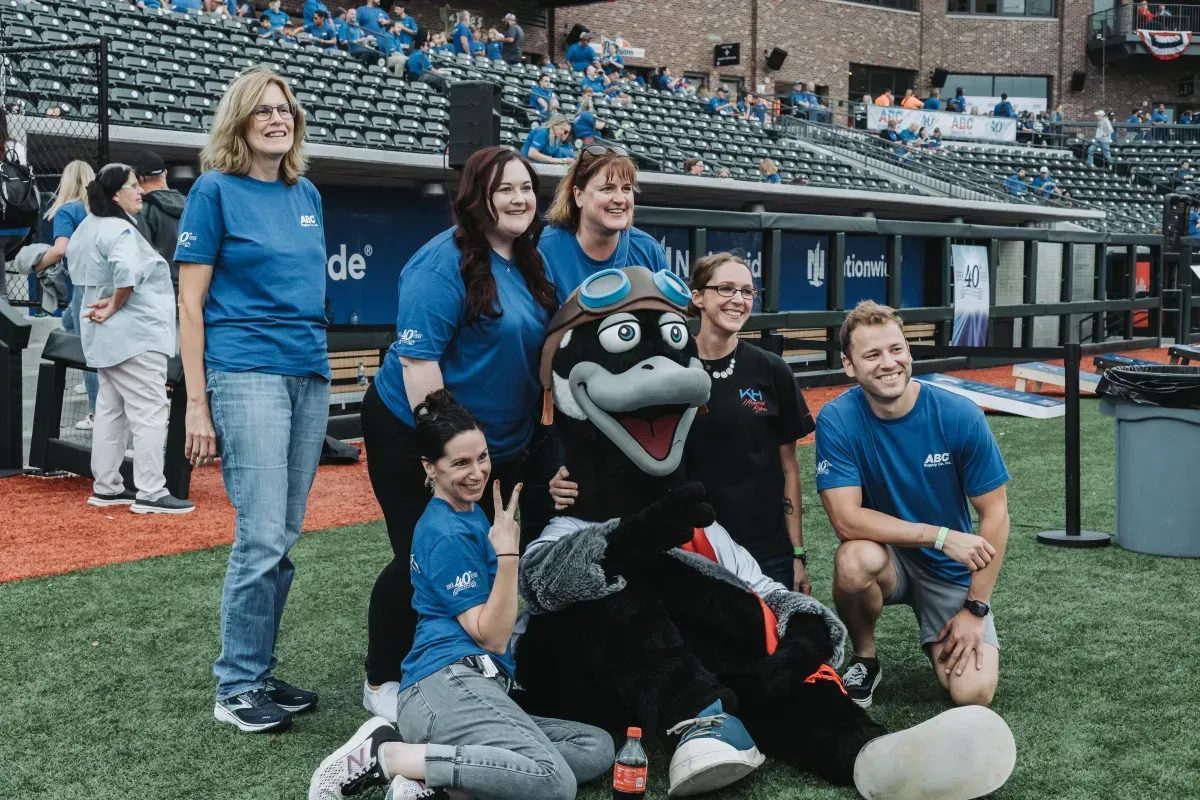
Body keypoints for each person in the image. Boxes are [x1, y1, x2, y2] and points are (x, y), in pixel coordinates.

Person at [311, 391, 614, 800]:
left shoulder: (468, 512)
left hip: (477, 686)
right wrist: (508, 556)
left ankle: (431, 785)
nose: (477, 472)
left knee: (595, 747)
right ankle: (388, 754)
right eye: (460, 463)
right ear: (429, 468)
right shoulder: (445, 533)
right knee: (554, 781)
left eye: (482, 457)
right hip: (445, 683)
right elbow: (491, 636)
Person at [359, 147, 560, 721]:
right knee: (421, 552)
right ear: (478, 198)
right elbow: (420, 368)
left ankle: (470, 660)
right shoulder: (439, 263)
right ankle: (383, 677)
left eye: (527, 187)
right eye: (506, 190)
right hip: (418, 431)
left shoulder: (527, 257)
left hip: (499, 439)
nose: (520, 199)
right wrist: (448, 458)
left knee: (484, 546)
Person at [176, 67, 330, 734]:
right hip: (246, 374)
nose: (278, 119)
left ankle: (258, 673)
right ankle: (235, 686)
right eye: (263, 110)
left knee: (284, 536)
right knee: (261, 535)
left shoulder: (307, 193)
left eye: (286, 109)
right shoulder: (213, 191)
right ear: (238, 122)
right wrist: (195, 404)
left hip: (308, 372)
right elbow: (189, 302)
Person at [551, 253, 815, 591]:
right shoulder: (662, 364)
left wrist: (796, 553)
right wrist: (564, 475)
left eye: (748, 291)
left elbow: (790, 467)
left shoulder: (772, 369)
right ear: (698, 297)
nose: (738, 299)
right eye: (726, 289)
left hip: (766, 549)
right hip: (688, 544)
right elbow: (607, 439)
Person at [819, 301, 1009, 710]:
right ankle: (865, 658)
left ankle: (953, 624)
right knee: (854, 560)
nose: (888, 363)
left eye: (896, 349)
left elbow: (995, 514)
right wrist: (941, 537)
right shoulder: (837, 418)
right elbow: (846, 519)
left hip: (947, 571)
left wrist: (975, 609)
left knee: (973, 693)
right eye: (872, 355)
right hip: (888, 556)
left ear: (909, 351)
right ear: (849, 365)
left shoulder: (958, 414)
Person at [69, 163, 193, 515]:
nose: (140, 191)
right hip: (134, 334)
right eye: (132, 186)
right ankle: (151, 491)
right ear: (114, 195)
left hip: (106, 336)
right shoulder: (119, 231)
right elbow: (127, 273)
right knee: (150, 411)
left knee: (111, 410)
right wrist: (115, 305)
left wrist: (110, 306)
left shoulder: (88, 226)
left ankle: (107, 486)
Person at [537, 145, 669, 303]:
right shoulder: (543, 249)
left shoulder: (649, 251)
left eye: (626, 189)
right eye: (607, 189)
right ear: (578, 196)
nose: (620, 199)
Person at [38, 160, 99, 429]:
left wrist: (34, 262)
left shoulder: (67, 209)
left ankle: (98, 411)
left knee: (86, 348)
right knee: (70, 323)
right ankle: (91, 384)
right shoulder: (97, 209)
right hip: (102, 282)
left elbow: (61, 249)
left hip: (83, 283)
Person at [132, 151, 186, 297]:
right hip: (196, 292)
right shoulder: (192, 204)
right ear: (166, 173)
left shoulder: (142, 209)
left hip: (160, 295)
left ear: (140, 179)